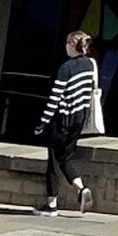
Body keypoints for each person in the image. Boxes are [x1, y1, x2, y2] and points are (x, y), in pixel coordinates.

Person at [33, 31, 103, 214]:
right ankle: (81, 189)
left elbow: (55, 98)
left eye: (67, 43)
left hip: (62, 119)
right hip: (79, 119)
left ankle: (51, 205)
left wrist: (42, 122)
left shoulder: (66, 68)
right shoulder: (90, 65)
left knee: (54, 161)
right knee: (66, 157)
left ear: (72, 44)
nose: (65, 46)